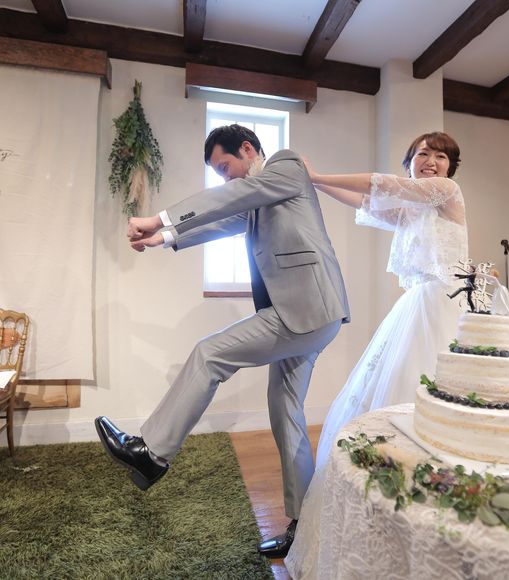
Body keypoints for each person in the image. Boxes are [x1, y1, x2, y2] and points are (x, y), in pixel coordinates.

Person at [94, 124, 350, 559]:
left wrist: (159, 217)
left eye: (225, 167)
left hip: (306, 311)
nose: (225, 178)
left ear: (248, 148)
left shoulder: (286, 165)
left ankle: (151, 453)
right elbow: (228, 220)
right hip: (309, 314)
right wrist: (165, 237)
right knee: (285, 413)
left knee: (209, 354)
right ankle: (305, 525)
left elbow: (233, 198)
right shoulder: (260, 196)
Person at [285, 132, 469, 579]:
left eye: (440, 156)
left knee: (435, 400)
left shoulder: (446, 192)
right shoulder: (411, 210)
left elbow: (380, 184)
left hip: (445, 306)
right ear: (410, 161)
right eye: (422, 154)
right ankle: (384, 515)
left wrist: (317, 175)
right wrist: (316, 184)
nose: (431, 161)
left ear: (450, 168)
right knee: (389, 396)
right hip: (417, 306)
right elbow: (367, 201)